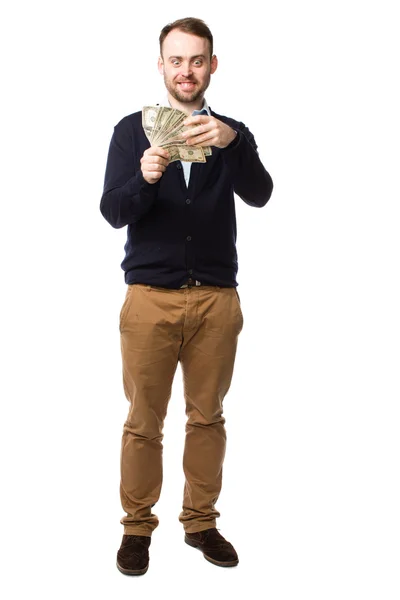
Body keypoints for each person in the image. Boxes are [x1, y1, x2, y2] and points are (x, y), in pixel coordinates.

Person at [100, 16, 273, 576]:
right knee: (142, 419)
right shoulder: (133, 131)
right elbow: (113, 211)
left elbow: (261, 194)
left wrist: (235, 141)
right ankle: (136, 528)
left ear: (212, 65)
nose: (187, 71)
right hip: (149, 298)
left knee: (208, 418)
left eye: (197, 60)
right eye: (176, 60)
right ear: (161, 67)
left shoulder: (230, 133)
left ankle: (200, 522)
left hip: (217, 301)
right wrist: (145, 177)